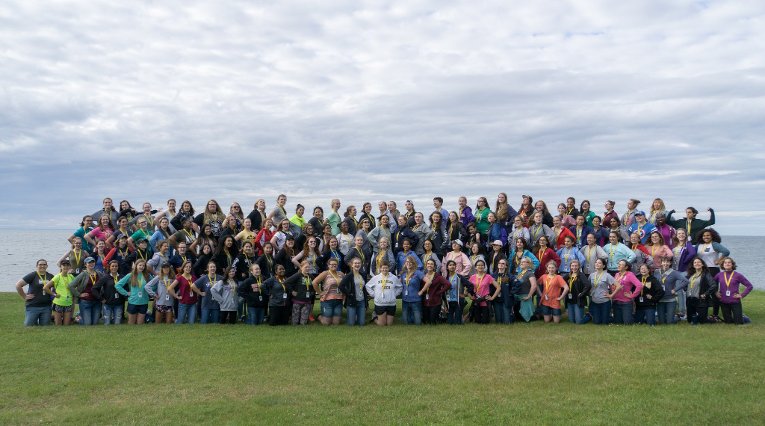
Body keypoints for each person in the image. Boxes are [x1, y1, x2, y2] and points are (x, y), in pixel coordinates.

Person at [714, 257, 753, 325]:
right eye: (725, 263)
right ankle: (737, 316)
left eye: (729, 262)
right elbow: (712, 284)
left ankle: (744, 317)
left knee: (738, 323)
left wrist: (741, 295)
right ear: (723, 265)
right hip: (723, 301)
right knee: (728, 322)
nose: (727, 264)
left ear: (732, 264)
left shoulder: (738, 275)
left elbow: (749, 286)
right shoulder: (719, 275)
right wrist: (715, 292)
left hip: (735, 301)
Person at [16, 259, 54, 326]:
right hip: (33, 306)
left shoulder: (50, 276)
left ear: (47, 266)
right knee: (29, 325)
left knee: (45, 326)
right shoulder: (33, 275)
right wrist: (24, 296)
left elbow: (57, 287)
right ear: (37, 266)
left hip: (46, 307)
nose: (42, 266)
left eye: (44, 264)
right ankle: (34, 319)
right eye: (40, 264)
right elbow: (18, 285)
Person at [365, 261, 402, 326]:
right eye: (383, 268)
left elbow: (400, 287)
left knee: (389, 324)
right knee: (382, 324)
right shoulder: (376, 278)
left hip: (391, 304)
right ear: (380, 269)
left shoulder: (393, 277)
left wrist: (394, 294)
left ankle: (384, 317)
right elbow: (367, 286)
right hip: (380, 303)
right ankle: (374, 317)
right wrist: (373, 294)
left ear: (389, 268)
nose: (384, 270)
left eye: (386, 268)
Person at [68, 257, 103, 326]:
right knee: (87, 324)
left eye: (92, 262)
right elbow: (70, 286)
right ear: (85, 264)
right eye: (89, 262)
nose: (91, 264)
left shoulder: (99, 274)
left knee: (95, 323)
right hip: (86, 301)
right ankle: (78, 318)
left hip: (97, 301)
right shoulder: (83, 274)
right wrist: (79, 294)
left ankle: (82, 315)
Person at [114, 259, 151, 325]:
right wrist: (126, 293)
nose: (142, 267)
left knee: (140, 324)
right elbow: (118, 285)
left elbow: (154, 285)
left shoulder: (147, 275)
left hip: (144, 301)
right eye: (140, 265)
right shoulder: (130, 275)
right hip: (133, 302)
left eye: (143, 265)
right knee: (131, 323)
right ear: (136, 266)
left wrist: (150, 292)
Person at [654, 256, 688, 325]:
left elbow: (686, 281)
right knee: (662, 322)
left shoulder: (674, 272)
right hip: (660, 299)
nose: (665, 264)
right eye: (664, 262)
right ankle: (669, 316)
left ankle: (677, 317)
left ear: (670, 263)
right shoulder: (656, 272)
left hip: (671, 300)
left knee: (669, 322)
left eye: (667, 262)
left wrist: (675, 289)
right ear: (661, 263)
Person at [313, 258, 345, 326]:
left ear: (337, 265)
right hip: (327, 300)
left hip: (338, 300)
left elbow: (345, 284)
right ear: (328, 265)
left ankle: (334, 317)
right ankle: (319, 316)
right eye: (332, 264)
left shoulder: (341, 274)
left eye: (335, 264)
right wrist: (320, 293)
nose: (333, 266)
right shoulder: (325, 273)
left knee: (336, 323)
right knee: (326, 323)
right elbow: (314, 282)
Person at [685, 257, 717, 325]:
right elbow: (685, 284)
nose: (697, 264)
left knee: (702, 321)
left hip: (700, 300)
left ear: (702, 264)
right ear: (693, 265)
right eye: (695, 262)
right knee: (690, 320)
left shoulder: (706, 274)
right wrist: (686, 289)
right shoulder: (690, 274)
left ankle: (713, 319)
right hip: (690, 299)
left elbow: (713, 285)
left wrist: (705, 294)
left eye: (699, 262)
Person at [92, 260, 125, 325]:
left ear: (118, 267)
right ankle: (104, 318)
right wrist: (101, 299)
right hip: (107, 304)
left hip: (119, 304)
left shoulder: (122, 277)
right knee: (107, 323)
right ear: (109, 267)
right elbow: (94, 289)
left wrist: (125, 296)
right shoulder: (105, 277)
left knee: (117, 323)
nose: (114, 268)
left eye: (116, 266)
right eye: (112, 266)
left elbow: (126, 288)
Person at [611, 260, 643, 325]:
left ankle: (638, 321)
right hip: (616, 301)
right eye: (618, 264)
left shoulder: (630, 274)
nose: (619, 265)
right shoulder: (617, 274)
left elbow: (639, 285)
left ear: (626, 267)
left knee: (627, 323)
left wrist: (632, 295)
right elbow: (614, 286)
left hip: (626, 303)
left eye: (621, 264)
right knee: (618, 323)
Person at [420, 259, 451, 324]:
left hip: (435, 301)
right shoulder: (423, 276)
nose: (430, 265)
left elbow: (448, 284)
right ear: (426, 265)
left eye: (431, 264)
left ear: (434, 266)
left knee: (432, 321)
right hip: (425, 301)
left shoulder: (438, 276)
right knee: (425, 321)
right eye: (428, 264)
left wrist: (440, 292)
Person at [339, 257, 368, 326]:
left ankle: (356, 316)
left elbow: (364, 287)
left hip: (361, 300)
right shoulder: (349, 275)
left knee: (362, 323)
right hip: (352, 301)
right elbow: (341, 286)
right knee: (351, 324)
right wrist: (349, 294)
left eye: (359, 263)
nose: (357, 265)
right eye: (355, 263)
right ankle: (351, 317)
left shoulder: (363, 275)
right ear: (352, 265)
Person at [286, 261, 316, 325]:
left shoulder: (311, 276)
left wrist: (313, 292)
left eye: (308, 267)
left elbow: (315, 284)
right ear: (301, 267)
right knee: (295, 322)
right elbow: (286, 282)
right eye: (306, 267)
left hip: (307, 302)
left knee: (303, 323)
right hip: (297, 301)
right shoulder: (298, 275)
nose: (307, 268)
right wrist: (292, 291)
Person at [468, 259, 498, 324]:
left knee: (485, 322)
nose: (480, 266)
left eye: (482, 265)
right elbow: (467, 288)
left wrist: (492, 297)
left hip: (485, 301)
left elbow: (498, 287)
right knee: (477, 321)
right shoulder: (472, 277)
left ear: (484, 267)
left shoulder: (488, 276)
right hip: (476, 301)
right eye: (478, 265)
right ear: (475, 267)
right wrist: (470, 296)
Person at [588, 258, 616, 325]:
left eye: (599, 263)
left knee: (604, 323)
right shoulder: (591, 275)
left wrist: (611, 295)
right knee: (596, 322)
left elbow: (619, 286)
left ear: (603, 266)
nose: (597, 264)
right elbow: (588, 286)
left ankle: (612, 317)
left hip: (605, 302)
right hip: (595, 301)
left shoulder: (607, 275)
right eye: (596, 262)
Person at [400, 255, 425, 325]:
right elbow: (399, 284)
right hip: (405, 299)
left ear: (414, 264)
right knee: (405, 323)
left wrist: (422, 291)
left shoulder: (418, 273)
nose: (408, 263)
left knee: (418, 323)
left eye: (410, 262)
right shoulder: (403, 274)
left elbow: (428, 282)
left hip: (415, 300)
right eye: (407, 262)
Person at [563, 259, 590, 324]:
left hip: (578, 300)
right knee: (571, 320)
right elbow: (561, 282)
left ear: (579, 267)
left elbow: (588, 285)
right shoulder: (568, 275)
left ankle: (588, 316)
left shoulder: (581, 275)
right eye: (572, 266)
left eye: (576, 266)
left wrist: (582, 293)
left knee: (579, 321)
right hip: (570, 299)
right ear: (570, 267)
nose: (574, 267)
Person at [512, 257, 538, 323]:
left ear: (528, 264)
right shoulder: (520, 274)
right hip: (517, 297)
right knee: (518, 318)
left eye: (524, 262)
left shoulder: (530, 273)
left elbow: (534, 285)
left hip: (525, 297)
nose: (521, 263)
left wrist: (529, 296)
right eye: (521, 262)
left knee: (525, 318)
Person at [491, 259, 513, 324]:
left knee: (506, 322)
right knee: (498, 321)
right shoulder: (493, 276)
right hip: (496, 298)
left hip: (505, 298)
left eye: (503, 263)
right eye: (499, 263)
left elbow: (517, 284)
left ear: (506, 266)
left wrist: (510, 293)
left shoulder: (509, 276)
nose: (501, 264)